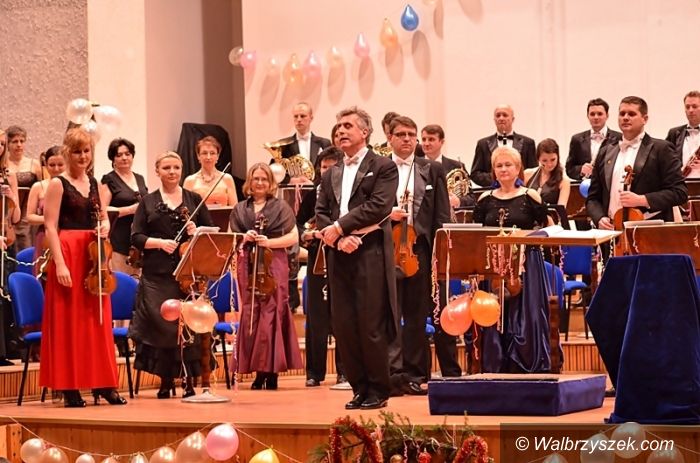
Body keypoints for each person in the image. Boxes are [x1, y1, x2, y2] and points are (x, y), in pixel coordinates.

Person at [316, 106, 399, 410]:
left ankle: (378, 389)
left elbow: (379, 206)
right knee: (345, 325)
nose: (341, 131)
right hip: (339, 252)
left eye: (348, 126)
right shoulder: (332, 172)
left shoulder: (384, 166)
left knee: (370, 323)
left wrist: (340, 228)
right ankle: (359, 388)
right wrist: (339, 239)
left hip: (370, 252)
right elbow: (321, 212)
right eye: (338, 127)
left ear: (365, 132)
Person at [40, 128, 126, 407]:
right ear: (68, 153)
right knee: (69, 321)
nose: (82, 156)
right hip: (68, 253)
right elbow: (50, 226)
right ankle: (69, 387)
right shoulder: (58, 184)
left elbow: (103, 217)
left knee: (97, 320)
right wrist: (60, 264)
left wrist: (105, 226)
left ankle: (103, 384)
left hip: (92, 256)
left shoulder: (94, 182)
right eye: (77, 151)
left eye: (86, 151)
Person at [129, 151, 214, 399]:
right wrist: (159, 243)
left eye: (176, 167)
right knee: (165, 327)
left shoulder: (193, 199)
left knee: (188, 327)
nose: (172, 172)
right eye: (166, 168)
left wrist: (197, 230)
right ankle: (166, 381)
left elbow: (211, 232)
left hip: (188, 274)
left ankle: (188, 381)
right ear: (157, 171)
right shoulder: (148, 202)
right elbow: (136, 236)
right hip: (157, 275)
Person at [387, 116, 451, 396]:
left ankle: (415, 374)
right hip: (386, 248)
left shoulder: (432, 169)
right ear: (389, 138)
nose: (407, 139)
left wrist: (440, 252)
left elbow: (441, 213)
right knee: (388, 313)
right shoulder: (379, 167)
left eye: (411, 135)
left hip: (419, 249)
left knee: (416, 314)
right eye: (400, 134)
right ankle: (391, 372)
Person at [473, 146, 552, 373]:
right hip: (493, 263)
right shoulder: (485, 199)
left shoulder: (530, 195)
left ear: (518, 169)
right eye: (499, 165)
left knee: (527, 312)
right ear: (493, 171)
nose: (503, 169)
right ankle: (495, 360)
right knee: (495, 310)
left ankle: (526, 360)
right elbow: (477, 233)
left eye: (508, 165)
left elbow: (544, 227)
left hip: (526, 262)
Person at [229, 163, 302, 390]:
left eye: (264, 179)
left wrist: (268, 242)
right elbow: (232, 237)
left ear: (270, 182)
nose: (259, 183)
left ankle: (269, 372)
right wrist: (244, 237)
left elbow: (293, 237)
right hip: (248, 264)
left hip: (273, 263)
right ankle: (258, 369)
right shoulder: (240, 209)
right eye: (255, 178)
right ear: (249, 182)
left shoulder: (281, 207)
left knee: (272, 312)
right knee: (252, 312)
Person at [586, 96, 688, 230]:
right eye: (622, 114)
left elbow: (679, 192)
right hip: (612, 230)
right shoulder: (605, 152)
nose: (625, 117)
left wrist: (643, 200)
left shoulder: (662, 149)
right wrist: (599, 217)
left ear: (645, 119)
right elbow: (593, 198)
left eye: (632, 114)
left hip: (649, 231)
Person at [296, 146, 347, 387]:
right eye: (323, 167)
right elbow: (298, 225)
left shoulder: (347, 192)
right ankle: (314, 373)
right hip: (317, 257)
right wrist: (307, 235)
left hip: (342, 256)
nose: (327, 171)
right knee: (316, 317)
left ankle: (344, 371)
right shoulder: (311, 195)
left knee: (342, 316)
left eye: (332, 167)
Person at [99, 138, 148, 277]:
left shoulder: (140, 178)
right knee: (121, 280)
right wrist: (131, 209)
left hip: (138, 241)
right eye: (119, 155)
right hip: (118, 239)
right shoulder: (109, 179)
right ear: (113, 159)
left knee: (139, 282)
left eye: (127, 154)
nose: (124, 158)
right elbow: (103, 210)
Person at [470, 105, 537, 187]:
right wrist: (497, 179)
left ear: (513, 119)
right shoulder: (482, 144)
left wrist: (518, 180)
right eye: (498, 115)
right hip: (493, 191)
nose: (501, 118)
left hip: (520, 191)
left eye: (505, 115)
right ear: (494, 120)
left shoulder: (528, 143)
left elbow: (534, 172)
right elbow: (475, 174)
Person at [0, 129, 22, 366]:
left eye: (1, 144)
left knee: (5, 293)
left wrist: (11, 197)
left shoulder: (9, 174)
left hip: (6, 238)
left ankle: (5, 349)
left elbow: (15, 217)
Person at [27, 146, 65, 275]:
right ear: (46, 165)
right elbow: (30, 217)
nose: (56, 169)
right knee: (45, 273)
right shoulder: (38, 186)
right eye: (52, 165)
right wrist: (51, 219)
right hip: (45, 237)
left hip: (67, 235)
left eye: (60, 165)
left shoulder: (73, 186)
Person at [4, 125, 42, 251]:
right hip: (8, 215)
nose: (19, 145)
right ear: (7, 144)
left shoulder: (34, 164)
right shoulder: (3, 165)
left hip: (28, 216)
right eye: (15, 141)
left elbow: (42, 190)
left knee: (27, 249)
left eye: (22, 141)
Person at [566, 98, 622, 180]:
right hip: (586, 186)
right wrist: (581, 169)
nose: (596, 117)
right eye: (592, 114)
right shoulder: (577, 139)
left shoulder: (619, 138)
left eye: (600, 114)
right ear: (587, 116)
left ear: (607, 115)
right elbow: (569, 169)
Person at [421, 124, 474, 207]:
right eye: (424, 139)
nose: (426, 143)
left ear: (442, 142)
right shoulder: (413, 165)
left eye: (431, 139)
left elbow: (471, 198)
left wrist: (458, 201)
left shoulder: (457, 166)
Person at [182, 136, 238, 206]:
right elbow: (185, 209)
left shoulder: (227, 179)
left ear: (218, 156)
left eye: (212, 153)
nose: (208, 157)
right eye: (204, 153)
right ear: (198, 156)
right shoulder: (189, 181)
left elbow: (234, 208)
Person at [524, 138, 571, 207]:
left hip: (549, 214)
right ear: (538, 159)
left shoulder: (564, 181)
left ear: (558, 157)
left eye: (553, 160)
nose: (549, 164)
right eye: (544, 161)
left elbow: (560, 210)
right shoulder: (527, 174)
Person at [666, 90, 700, 178]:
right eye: (687, 107)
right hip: (681, 184)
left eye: (694, 106)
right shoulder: (674, 133)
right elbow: (666, 161)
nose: (690, 110)